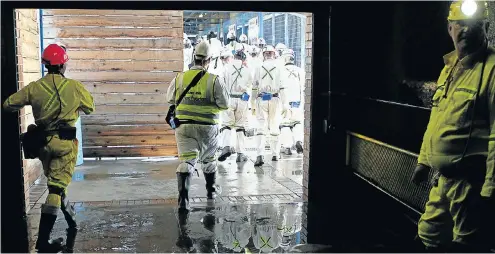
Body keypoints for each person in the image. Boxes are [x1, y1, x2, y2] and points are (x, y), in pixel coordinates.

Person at [411, 1, 494, 252]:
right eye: (460, 24)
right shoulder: (448, 69)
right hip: (442, 180)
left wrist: (491, 187)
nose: (465, 29)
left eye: (473, 24)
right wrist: (423, 161)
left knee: (467, 243)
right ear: (450, 29)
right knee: (428, 235)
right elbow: (436, 120)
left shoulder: (491, 70)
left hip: (471, 184)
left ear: (486, 27)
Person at [3, 43, 95, 253]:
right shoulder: (74, 86)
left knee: (55, 182)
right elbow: (90, 107)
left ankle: (71, 221)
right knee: (55, 188)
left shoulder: (35, 87)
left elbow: (8, 104)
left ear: (45, 64)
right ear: (63, 64)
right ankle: (42, 243)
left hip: (43, 145)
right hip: (65, 144)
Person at [166, 41, 230, 212]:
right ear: (209, 60)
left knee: (187, 160)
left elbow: (170, 99)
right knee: (208, 160)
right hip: (208, 128)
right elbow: (224, 105)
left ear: (194, 57)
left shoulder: (179, 78)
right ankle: (211, 192)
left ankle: (183, 200)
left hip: (184, 127)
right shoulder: (214, 80)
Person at [252, 45, 288, 166]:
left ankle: (259, 155)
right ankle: (275, 154)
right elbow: (282, 87)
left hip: (262, 99)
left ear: (264, 55)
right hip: (275, 99)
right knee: (274, 126)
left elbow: (254, 86)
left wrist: (252, 103)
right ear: (274, 54)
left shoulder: (258, 67)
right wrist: (285, 104)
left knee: (261, 127)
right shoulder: (279, 67)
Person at [218, 43, 253, 163]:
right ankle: (240, 154)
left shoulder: (227, 68)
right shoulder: (247, 70)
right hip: (242, 100)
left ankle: (226, 146)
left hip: (229, 99)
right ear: (243, 59)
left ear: (234, 58)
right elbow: (250, 84)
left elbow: (221, 83)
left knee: (227, 125)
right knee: (240, 126)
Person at [279, 49, 305, 155]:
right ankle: (298, 140)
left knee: (285, 124)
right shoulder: (300, 71)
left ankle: (287, 147)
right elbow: (303, 87)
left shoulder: (280, 71)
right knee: (297, 123)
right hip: (297, 102)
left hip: (285, 102)